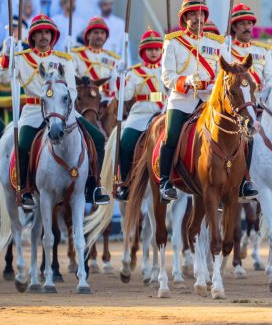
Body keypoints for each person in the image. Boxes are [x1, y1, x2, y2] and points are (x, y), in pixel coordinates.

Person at [0, 14, 110, 209]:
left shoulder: (64, 59)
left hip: (62, 111)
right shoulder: (22, 58)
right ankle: (25, 190)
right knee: (24, 143)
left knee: (98, 138)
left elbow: (73, 90)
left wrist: (64, 110)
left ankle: (94, 186)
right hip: (34, 111)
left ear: (52, 36)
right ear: (32, 37)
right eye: (39, 33)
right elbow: (4, 79)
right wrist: (6, 55)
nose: (44, 36)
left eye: (47, 33)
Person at [158, 0, 224, 202]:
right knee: (171, 135)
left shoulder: (216, 43)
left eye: (201, 14)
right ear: (184, 18)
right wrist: (186, 80)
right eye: (192, 14)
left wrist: (218, 84)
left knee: (235, 134)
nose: (198, 18)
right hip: (182, 100)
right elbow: (167, 76)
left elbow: (227, 71)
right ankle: (165, 181)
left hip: (209, 101)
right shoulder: (173, 42)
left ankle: (241, 182)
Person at [228, 2, 272, 199]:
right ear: (234, 27)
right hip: (236, 106)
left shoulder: (263, 50)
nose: (247, 27)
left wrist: (266, 90)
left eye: (250, 23)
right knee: (246, 139)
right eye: (242, 24)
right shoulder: (226, 48)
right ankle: (244, 180)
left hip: (259, 104)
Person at [116, 28, 166, 201]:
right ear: (143, 52)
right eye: (150, 49)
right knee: (125, 142)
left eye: (157, 49)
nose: (154, 52)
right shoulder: (136, 72)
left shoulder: (166, 70)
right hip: (141, 115)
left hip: (163, 113)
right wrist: (121, 77)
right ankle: (125, 182)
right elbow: (125, 96)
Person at [72, 16, 120, 101]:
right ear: (88, 36)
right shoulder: (77, 55)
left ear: (106, 37)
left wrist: (113, 100)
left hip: (105, 99)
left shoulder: (112, 58)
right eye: (96, 32)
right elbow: (71, 75)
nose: (99, 36)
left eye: (102, 33)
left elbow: (114, 81)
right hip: (84, 98)